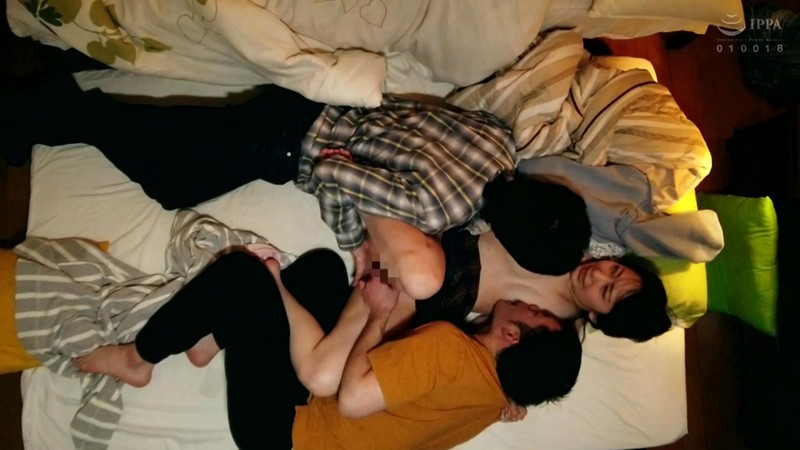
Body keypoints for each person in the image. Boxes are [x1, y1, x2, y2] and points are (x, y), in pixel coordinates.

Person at [2, 77, 671, 341]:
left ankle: (54, 111)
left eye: (606, 292)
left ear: (595, 318)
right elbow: (336, 176)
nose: (599, 275)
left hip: (339, 161)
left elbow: (480, 345)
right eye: (615, 272)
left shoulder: (547, 321)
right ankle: (49, 109)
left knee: (171, 175)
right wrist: (363, 242)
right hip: (309, 150)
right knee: (170, 175)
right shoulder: (555, 230)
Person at [74, 249, 582, 450]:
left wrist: (378, 314)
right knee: (321, 269)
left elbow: (353, 398)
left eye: (537, 315)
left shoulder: (451, 350)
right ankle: (212, 340)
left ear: (513, 337)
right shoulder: (491, 396)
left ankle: (137, 360)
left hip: (283, 429)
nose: (531, 304)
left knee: (240, 273)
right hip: (312, 420)